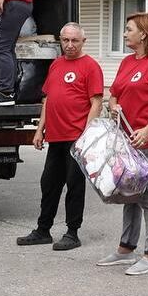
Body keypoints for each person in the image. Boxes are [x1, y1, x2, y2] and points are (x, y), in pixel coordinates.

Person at [97, 12, 148, 276]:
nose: (124, 33)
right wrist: (114, 106)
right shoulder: (127, 62)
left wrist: (147, 130)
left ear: (143, 33)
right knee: (130, 193)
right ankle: (125, 248)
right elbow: (114, 95)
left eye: (129, 29)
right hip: (128, 140)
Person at [16, 23, 105, 250]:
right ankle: (43, 230)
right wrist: (39, 129)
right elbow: (48, 99)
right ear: (60, 41)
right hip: (55, 137)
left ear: (83, 41)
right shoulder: (56, 65)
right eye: (65, 40)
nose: (70, 45)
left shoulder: (91, 66)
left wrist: (87, 135)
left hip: (77, 137)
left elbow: (96, 102)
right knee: (49, 183)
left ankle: (72, 233)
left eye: (75, 41)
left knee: (74, 186)